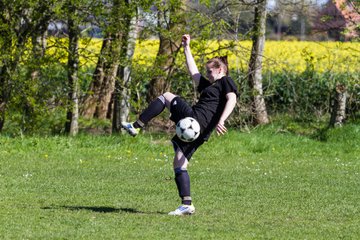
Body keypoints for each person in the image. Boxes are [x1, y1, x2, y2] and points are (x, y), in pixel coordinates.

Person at [122, 34, 238, 216]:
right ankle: (187, 204)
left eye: (209, 71)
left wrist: (222, 119)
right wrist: (186, 47)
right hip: (200, 130)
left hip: (196, 120)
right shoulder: (209, 87)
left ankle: (136, 126)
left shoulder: (225, 81)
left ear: (220, 70)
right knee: (179, 163)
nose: (207, 74)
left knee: (166, 96)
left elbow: (232, 98)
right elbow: (194, 73)